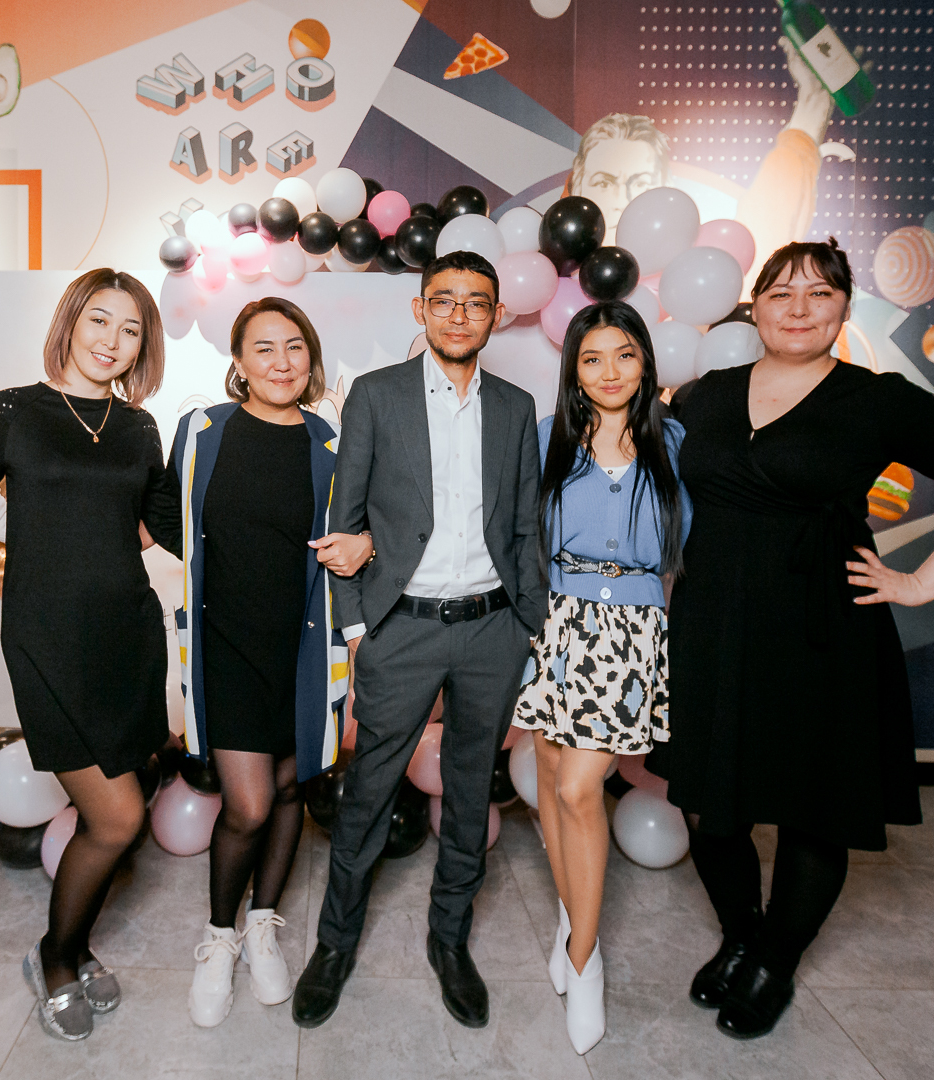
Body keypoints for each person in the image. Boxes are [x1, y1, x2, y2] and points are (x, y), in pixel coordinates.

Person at [667, 238, 934, 1039]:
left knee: (814, 810)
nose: (798, 308)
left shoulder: (878, 401)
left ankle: (775, 963)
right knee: (708, 805)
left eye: (820, 293)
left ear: (843, 307)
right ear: (755, 306)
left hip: (822, 633)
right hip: (712, 629)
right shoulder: (702, 396)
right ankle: (740, 937)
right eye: (781, 293)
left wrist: (920, 582)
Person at [293, 250, 545, 1031]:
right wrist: (358, 629)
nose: (460, 315)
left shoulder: (516, 406)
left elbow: (526, 528)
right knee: (369, 792)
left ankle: (450, 940)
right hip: (400, 629)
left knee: (471, 794)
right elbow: (344, 521)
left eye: (476, 302)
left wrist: (530, 629)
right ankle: (334, 944)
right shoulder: (376, 396)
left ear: (496, 315)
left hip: (493, 630)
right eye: (444, 300)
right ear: (421, 310)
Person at [0, 268, 176, 1043]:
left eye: (130, 330)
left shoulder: (139, 428)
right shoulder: (13, 412)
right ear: (70, 322)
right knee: (118, 817)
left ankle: (76, 945)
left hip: (127, 636)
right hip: (45, 640)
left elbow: (168, 525)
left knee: (114, 812)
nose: (112, 341)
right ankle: (53, 958)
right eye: (99, 320)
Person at [156, 298, 369, 1027]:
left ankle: (263, 924)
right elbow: (170, 516)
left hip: (303, 643)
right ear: (239, 361)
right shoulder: (202, 430)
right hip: (225, 643)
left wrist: (366, 545)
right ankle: (220, 937)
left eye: (295, 347)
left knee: (286, 790)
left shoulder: (331, 442)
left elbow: (363, 528)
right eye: (265, 348)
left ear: (311, 359)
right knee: (246, 804)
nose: (282, 362)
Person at [512, 301, 689, 1054]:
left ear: (645, 362)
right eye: (592, 358)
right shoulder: (548, 438)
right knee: (555, 778)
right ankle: (570, 913)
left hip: (632, 629)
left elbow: (694, 539)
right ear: (574, 370)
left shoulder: (674, 442)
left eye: (624, 354)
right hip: (556, 623)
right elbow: (518, 534)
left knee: (582, 787)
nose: (609, 371)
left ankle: (586, 961)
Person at [571, 38, 836, 290]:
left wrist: (813, 106)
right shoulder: (556, 281)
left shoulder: (700, 282)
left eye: (640, 183)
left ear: (667, 190)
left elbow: (765, 226)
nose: (622, 200)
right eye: (603, 183)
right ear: (577, 188)